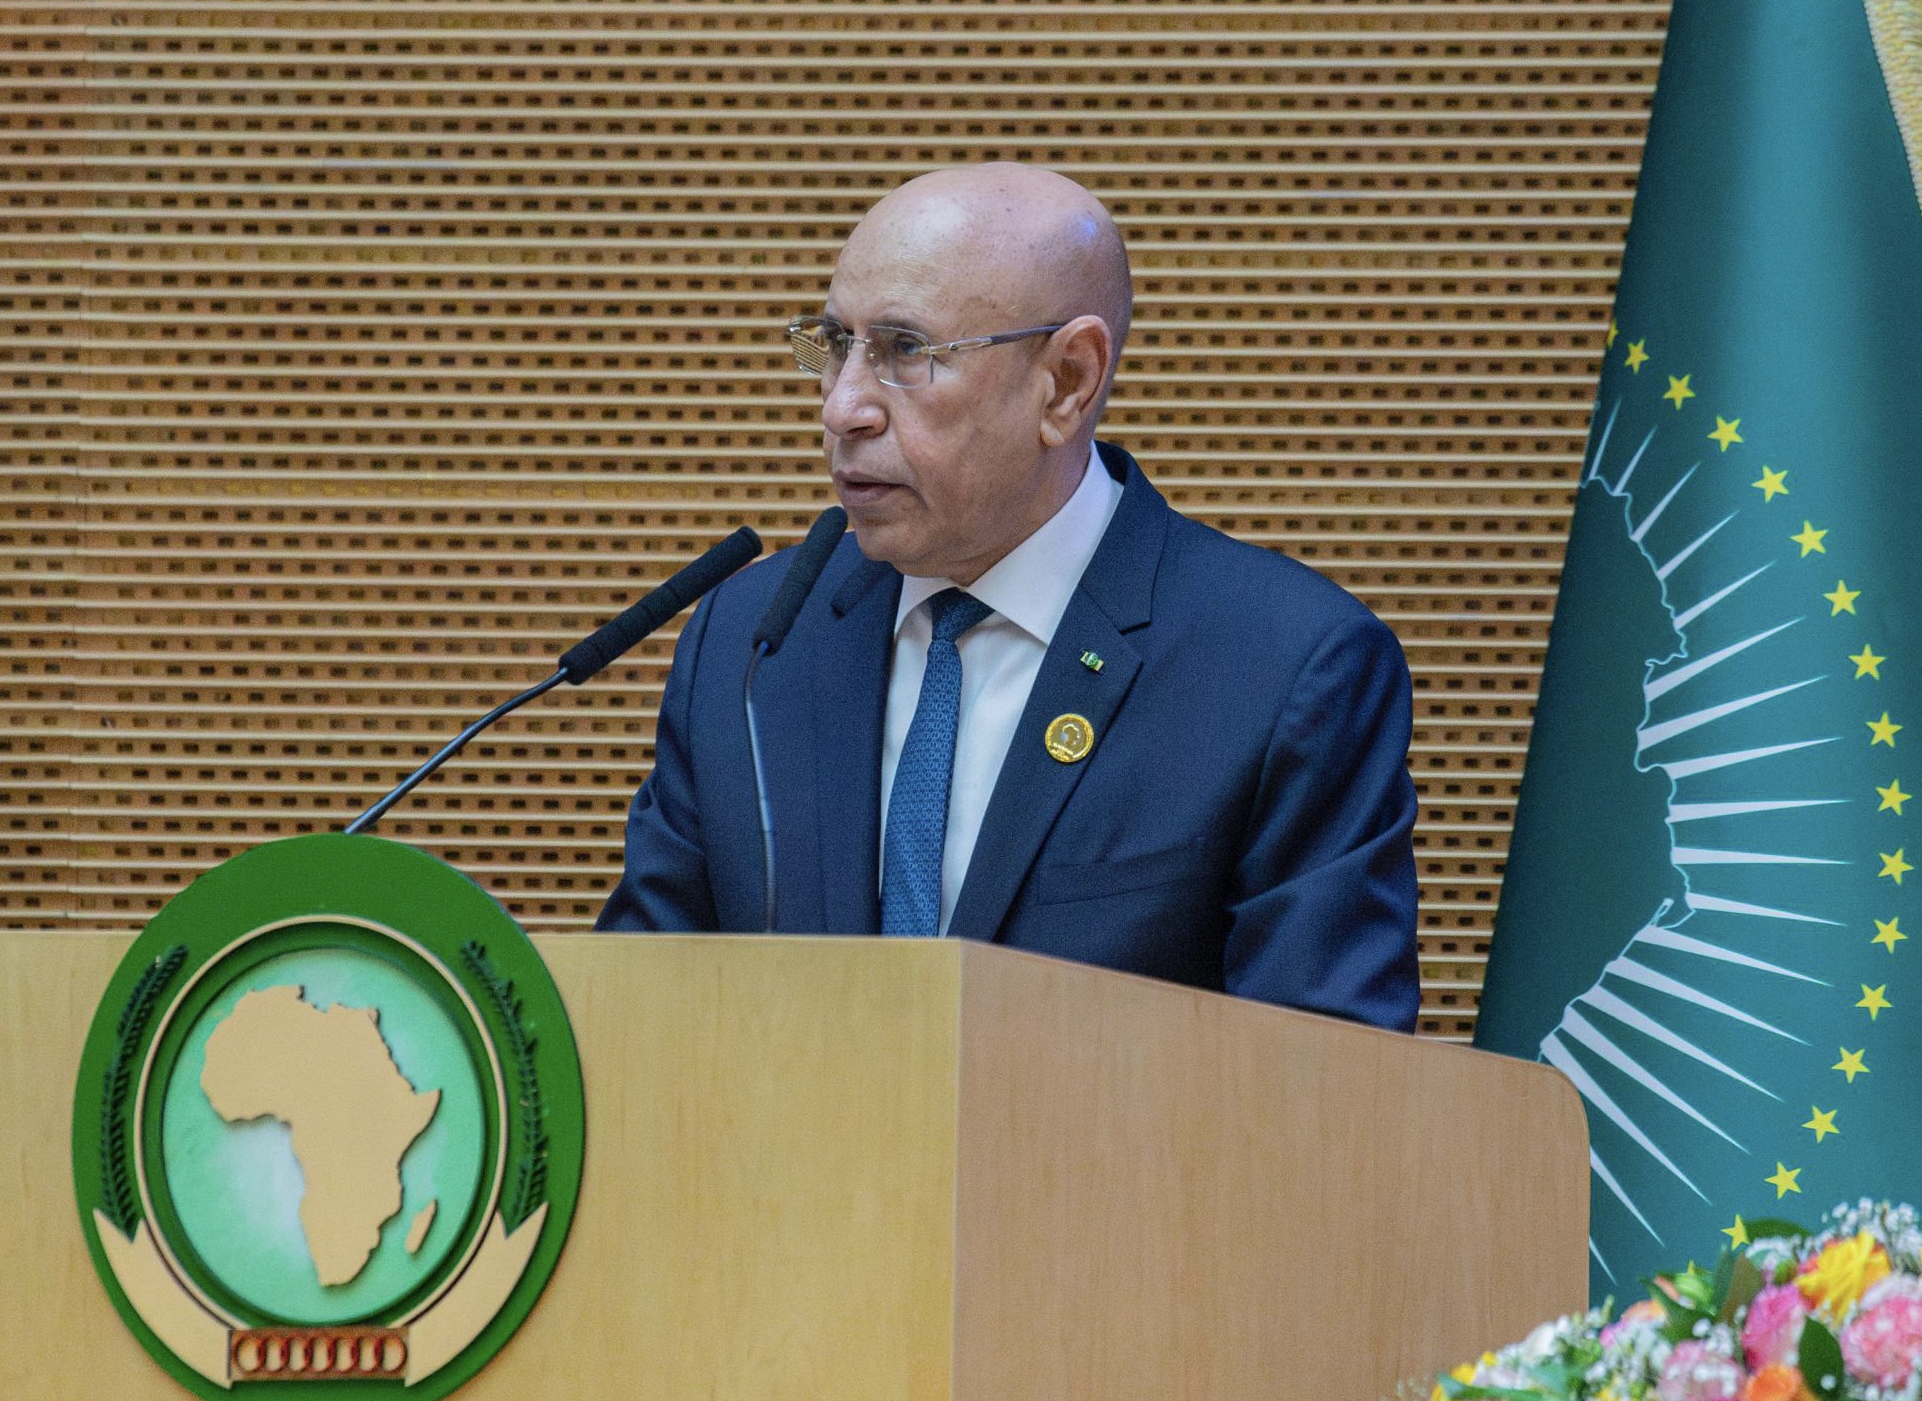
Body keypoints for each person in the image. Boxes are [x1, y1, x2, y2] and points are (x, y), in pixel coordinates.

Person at [599, 164, 1420, 1030]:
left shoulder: (1284, 669)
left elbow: (1325, 1072)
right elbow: (641, 1015)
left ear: (1066, 382)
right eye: (834, 344)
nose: (841, 409)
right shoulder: (754, 642)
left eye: (905, 351)